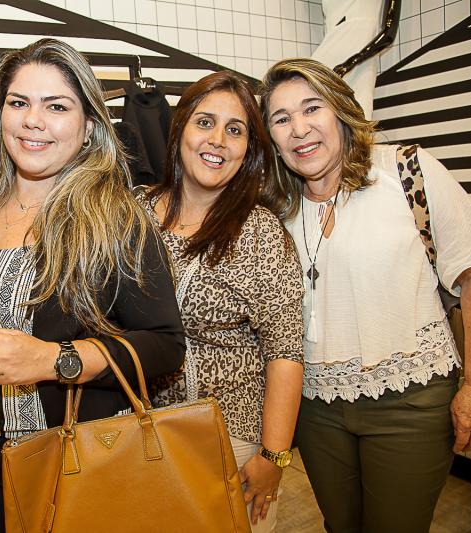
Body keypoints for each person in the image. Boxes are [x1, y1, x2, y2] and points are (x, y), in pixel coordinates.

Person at [0, 38, 185, 533]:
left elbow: (165, 344)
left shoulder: (116, 219)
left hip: (67, 451)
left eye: (56, 106)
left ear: (88, 126)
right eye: (19, 103)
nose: (33, 121)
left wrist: (54, 360)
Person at [259, 58, 471, 533]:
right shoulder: (273, 203)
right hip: (314, 407)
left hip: (410, 402)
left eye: (312, 108)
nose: (299, 129)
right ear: (270, 135)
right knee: (340, 525)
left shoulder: (406, 170)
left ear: (340, 111)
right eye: (281, 118)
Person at [136, 71, 304, 532]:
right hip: (139, 433)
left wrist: (274, 455)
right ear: (180, 131)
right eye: (205, 122)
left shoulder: (261, 233)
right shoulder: (133, 212)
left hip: (231, 441)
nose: (218, 140)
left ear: (249, 149)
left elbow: (285, 352)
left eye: (235, 130)